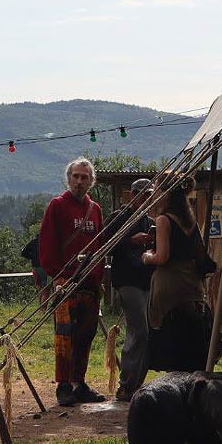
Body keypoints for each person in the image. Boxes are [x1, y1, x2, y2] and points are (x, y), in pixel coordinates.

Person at [39, 157, 105, 406]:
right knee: (64, 337)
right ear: (68, 179)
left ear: (91, 181)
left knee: (85, 335)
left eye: (84, 177)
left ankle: (79, 382)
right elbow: (47, 244)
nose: (79, 181)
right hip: (65, 283)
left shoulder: (95, 209)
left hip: (90, 285)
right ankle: (64, 385)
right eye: (75, 176)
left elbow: (100, 246)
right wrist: (57, 276)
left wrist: (98, 279)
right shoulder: (57, 206)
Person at [142, 178, 213, 370]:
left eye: (157, 189)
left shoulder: (164, 220)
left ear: (166, 193)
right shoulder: (190, 220)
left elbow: (162, 257)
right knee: (190, 340)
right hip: (191, 284)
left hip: (170, 285)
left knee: (173, 340)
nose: (154, 193)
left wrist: (147, 256)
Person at [106, 178, 154, 401]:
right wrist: (131, 241)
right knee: (140, 331)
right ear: (133, 195)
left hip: (145, 279)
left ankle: (135, 384)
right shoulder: (120, 217)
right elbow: (106, 245)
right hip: (127, 279)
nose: (148, 199)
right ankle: (126, 384)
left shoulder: (148, 221)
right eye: (144, 195)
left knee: (145, 333)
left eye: (150, 195)